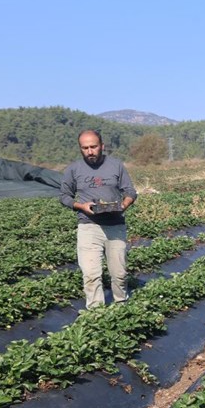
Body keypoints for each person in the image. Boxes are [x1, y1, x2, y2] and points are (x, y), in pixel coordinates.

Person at [59, 129, 137, 309]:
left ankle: (122, 306)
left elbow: (130, 191)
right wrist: (81, 206)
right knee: (91, 274)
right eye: (85, 148)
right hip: (88, 226)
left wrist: (124, 204)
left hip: (115, 224)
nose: (90, 151)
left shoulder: (116, 165)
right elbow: (64, 196)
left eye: (93, 147)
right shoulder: (73, 169)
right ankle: (96, 313)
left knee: (119, 274)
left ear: (102, 146)